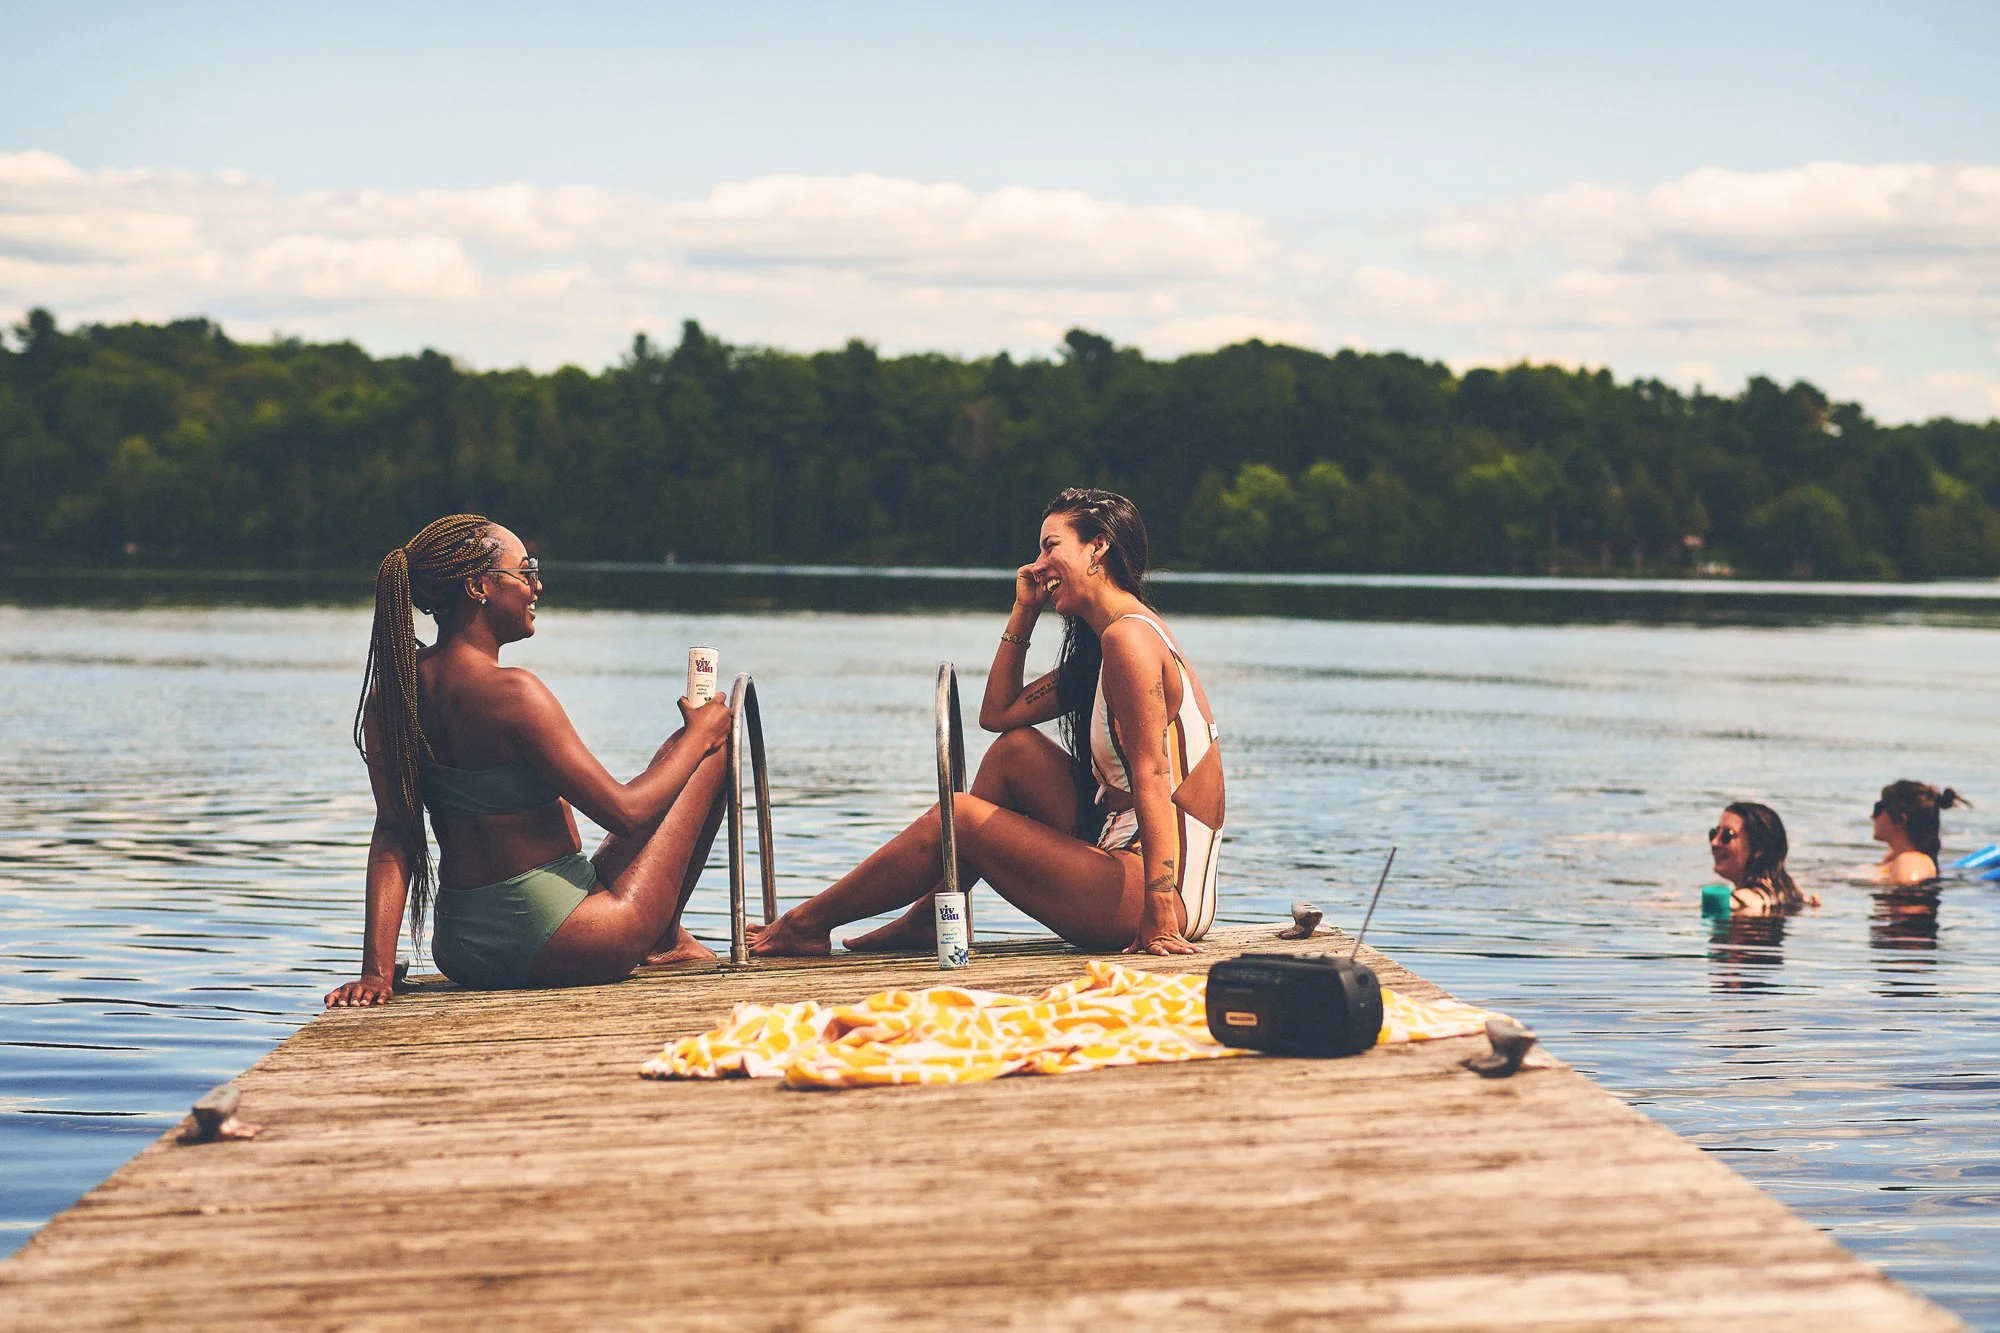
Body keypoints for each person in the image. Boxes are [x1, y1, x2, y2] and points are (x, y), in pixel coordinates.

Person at [750, 487, 1223, 958]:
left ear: (1097, 546)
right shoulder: (1109, 644)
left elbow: (1153, 772)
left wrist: (1159, 909)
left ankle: (805, 924)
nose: (1037, 564)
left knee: (961, 817)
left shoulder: (1129, 639)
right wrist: (1025, 611)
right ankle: (928, 918)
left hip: (1162, 895)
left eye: (1051, 547)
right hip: (1129, 860)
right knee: (1014, 752)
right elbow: (998, 715)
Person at [325, 514, 733, 1005]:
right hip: (574, 942)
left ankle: (665, 932)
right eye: (525, 571)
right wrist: (701, 736)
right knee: (710, 751)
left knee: (677, 749)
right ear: (479, 586)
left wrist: (376, 972)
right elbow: (626, 813)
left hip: (462, 950)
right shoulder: (514, 693)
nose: (536, 586)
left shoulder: (392, 697)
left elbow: (393, 832)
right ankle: (663, 937)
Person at [1708, 801, 1817, 915]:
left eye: (1727, 836)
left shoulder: (1734, 903)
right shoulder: (1793, 892)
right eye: (1714, 833)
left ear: (1758, 848)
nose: (1714, 842)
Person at [1871, 780, 1966, 887]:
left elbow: (1910, 894)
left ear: (1901, 819)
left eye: (1878, 809)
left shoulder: (1909, 861)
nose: (1872, 817)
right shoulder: (1896, 858)